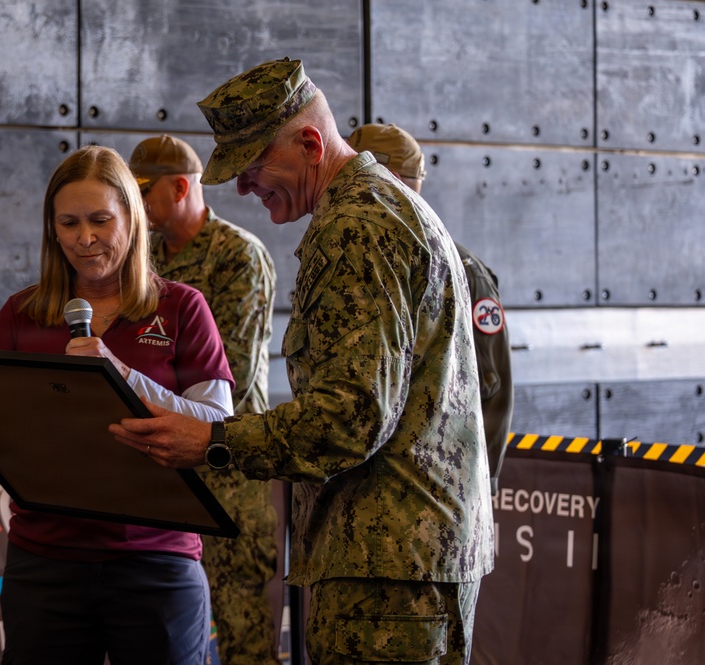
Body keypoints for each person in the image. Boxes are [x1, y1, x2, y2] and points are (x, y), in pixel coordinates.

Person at [110, 58, 495, 664]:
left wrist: (211, 440)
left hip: (386, 564)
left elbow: (348, 418)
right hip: (398, 556)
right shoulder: (378, 209)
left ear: (311, 144)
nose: (242, 188)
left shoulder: (357, 227)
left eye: (253, 166)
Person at [0, 144, 235, 665]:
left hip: (156, 560)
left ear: (132, 220)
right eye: (68, 223)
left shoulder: (182, 307)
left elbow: (216, 426)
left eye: (99, 220)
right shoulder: (23, 312)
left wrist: (120, 375)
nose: (84, 239)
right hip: (46, 562)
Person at [129, 135, 281, 665]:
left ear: (179, 186)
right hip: (160, 467)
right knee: (162, 634)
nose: (135, 205)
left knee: (242, 630)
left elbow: (227, 376)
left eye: (143, 191)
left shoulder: (238, 256)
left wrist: (134, 380)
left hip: (228, 468)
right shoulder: (140, 259)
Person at [347, 123, 514, 495]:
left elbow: (492, 387)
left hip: (435, 494)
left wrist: (477, 490)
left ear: (385, 177)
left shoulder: (459, 269)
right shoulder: (357, 261)